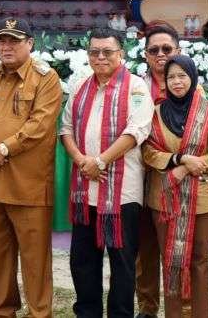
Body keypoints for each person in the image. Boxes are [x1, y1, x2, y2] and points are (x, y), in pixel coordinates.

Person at [0, 18, 62, 317]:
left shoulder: (45, 78)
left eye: (14, 41)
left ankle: (39, 312)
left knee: (35, 258)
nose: (6, 47)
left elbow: (40, 125)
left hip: (28, 185)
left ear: (30, 44)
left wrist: (4, 148)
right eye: (2, 41)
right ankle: (1, 309)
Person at [60, 27, 154, 317]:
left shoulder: (136, 87)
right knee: (83, 260)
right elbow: (65, 129)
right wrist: (81, 160)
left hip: (122, 193)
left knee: (122, 262)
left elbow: (136, 131)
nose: (100, 57)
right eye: (94, 52)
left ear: (121, 54)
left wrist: (99, 162)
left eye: (107, 52)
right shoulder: (80, 86)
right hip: (85, 191)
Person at [142, 55, 208, 317]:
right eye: (171, 77)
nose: (177, 81)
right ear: (164, 81)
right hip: (165, 199)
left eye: (182, 75)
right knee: (171, 261)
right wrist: (177, 160)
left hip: (202, 200)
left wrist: (189, 166)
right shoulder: (154, 114)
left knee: (200, 261)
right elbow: (146, 150)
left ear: (192, 78)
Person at [135, 24, 183, 318]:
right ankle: (147, 308)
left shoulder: (189, 84)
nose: (161, 54)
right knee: (145, 246)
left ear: (178, 51)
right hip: (141, 175)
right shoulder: (134, 87)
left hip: (178, 178)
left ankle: (178, 308)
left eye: (167, 49)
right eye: (154, 50)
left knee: (179, 249)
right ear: (145, 55)